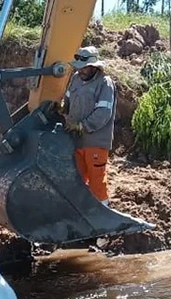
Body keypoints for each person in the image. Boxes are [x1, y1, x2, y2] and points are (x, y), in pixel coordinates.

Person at [62, 46, 117, 206]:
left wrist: (81, 126)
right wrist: (62, 110)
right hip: (77, 142)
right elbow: (68, 100)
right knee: (77, 180)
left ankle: (103, 216)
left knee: (96, 182)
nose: (82, 71)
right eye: (79, 68)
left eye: (85, 68)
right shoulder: (76, 79)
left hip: (95, 143)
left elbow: (103, 114)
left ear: (94, 66)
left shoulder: (105, 84)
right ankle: (82, 213)